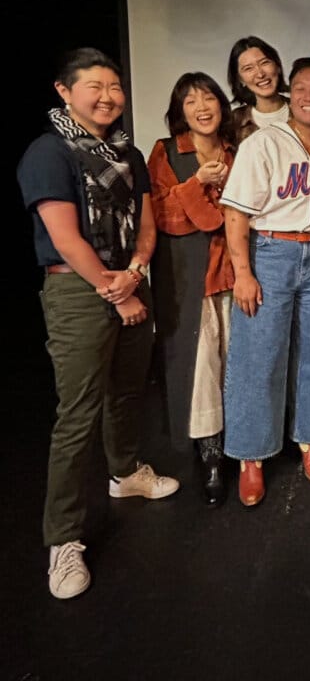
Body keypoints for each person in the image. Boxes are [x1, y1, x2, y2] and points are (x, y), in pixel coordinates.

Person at [17, 47, 179, 601]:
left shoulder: (128, 153)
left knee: (127, 393)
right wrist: (113, 291)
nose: (108, 96)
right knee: (77, 415)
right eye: (95, 86)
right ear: (65, 91)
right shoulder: (49, 151)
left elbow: (147, 227)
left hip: (131, 284)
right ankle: (63, 540)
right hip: (78, 290)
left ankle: (126, 472)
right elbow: (65, 238)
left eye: (115, 86)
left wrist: (133, 275)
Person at [221, 57, 310, 507]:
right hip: (271, 251)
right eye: (302, 88)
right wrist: (243, 273)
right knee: (260, 353)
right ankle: (251, 457)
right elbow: (235, 211)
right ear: (291, 94)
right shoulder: (264, 143)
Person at [147, 72, 236, 507]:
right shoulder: (166, 152)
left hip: (234, 271)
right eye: (190, 102)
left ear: (221, 103)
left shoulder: (237, 152)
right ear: (179, 112)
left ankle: (242, 443)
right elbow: (160, 214)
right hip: (188, 275)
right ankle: (211, 453)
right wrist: (197, 183)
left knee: (236, 359)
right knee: (200, 365)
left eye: (208, 98)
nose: (202, 107)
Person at [227, 35, 290, 145]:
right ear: (240, 79)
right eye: (248, 68)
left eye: (264, 62)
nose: (260, 74)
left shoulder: (302, 110)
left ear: (278, 66)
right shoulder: (234, 122)